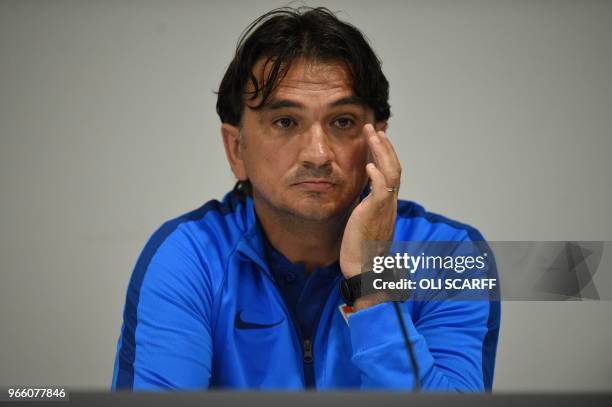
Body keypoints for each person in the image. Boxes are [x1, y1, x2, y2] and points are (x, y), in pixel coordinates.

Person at [112, 7, 500, 391]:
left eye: (343, 121)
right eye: (285, 122)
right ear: (236, 149)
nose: (317, 153)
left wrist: (371, 280)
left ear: (376, 142)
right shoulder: (188, 255)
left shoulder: (452, 256)